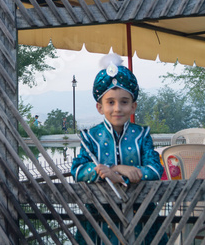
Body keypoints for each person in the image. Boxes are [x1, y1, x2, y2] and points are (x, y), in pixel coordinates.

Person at [71, 53, 167, 245]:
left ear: (133, 106)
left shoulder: (142, 135)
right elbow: (78, 170)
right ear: (100, 107)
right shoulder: (90, 137)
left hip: (140, 215)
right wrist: (111, 171)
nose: (117, 108)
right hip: (100, 218)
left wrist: (119, 173)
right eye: (110, 102)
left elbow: (156, 169)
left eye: (124, 102)